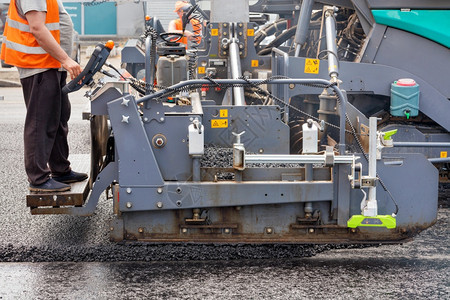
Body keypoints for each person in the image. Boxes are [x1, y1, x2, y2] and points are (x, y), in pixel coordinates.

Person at [0, 0, 87, 193]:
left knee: (58, 117)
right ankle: (38, 178)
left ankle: (60, 169)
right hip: (37, 65)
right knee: (41, 122)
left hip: (50, 63)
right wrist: (66, 59)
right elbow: (37, 28)